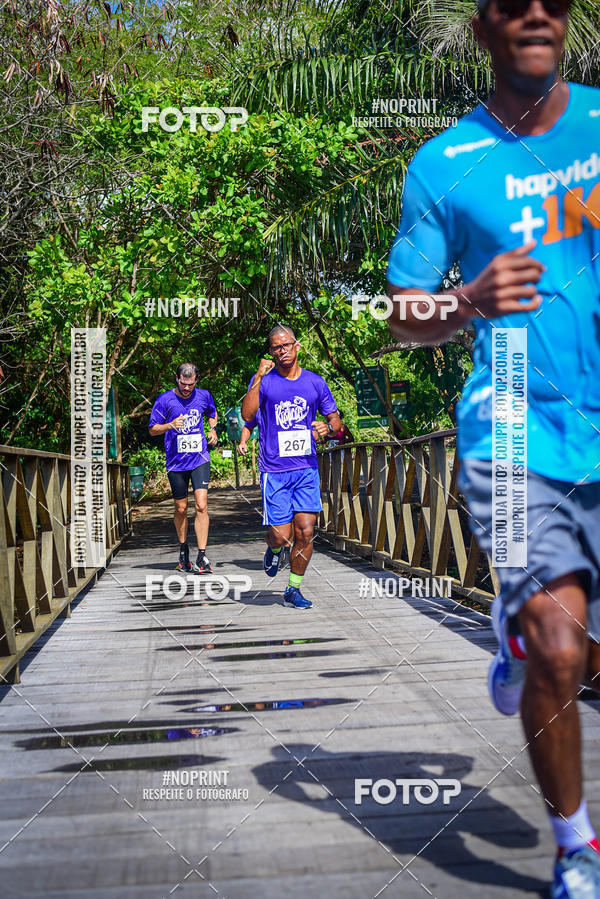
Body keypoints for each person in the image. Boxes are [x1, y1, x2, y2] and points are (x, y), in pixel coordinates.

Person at [385, 1, 600, 895]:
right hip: (511, 429)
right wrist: (466, 299)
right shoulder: (441, 166)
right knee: (561, 646)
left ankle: (514, 649)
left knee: (577, 648)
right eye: (515, 2)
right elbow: (402, 316)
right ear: (485, 29)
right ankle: (577, 847)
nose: (537, 14)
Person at [241, 325, 341, 609]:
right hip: (275, 469)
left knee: (306, 532)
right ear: (270, 351)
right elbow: (247, 414)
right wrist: (258, 377)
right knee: (281, 535)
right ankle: (273, 549)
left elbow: (336, 422)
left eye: (285, 345)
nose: (281, 350)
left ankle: (292, 590)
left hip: (306, 468)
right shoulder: (266, 381)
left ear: (297, 346)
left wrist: (327, 429)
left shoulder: (315, 382)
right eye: (275, 347)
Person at [148, 362, 218, 574]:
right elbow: (152, 429)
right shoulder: (165, 400)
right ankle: (183, 551)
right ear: (176, 379)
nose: (187, 388)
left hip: (199, 458)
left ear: (196, 380)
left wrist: (213, 429)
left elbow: (212, 413)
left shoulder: (204, 396)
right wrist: (170, 425)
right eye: (183, 383)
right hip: (176, 463)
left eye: (190, 384)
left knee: (201, 505)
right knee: (180, 508)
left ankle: (202, 555)